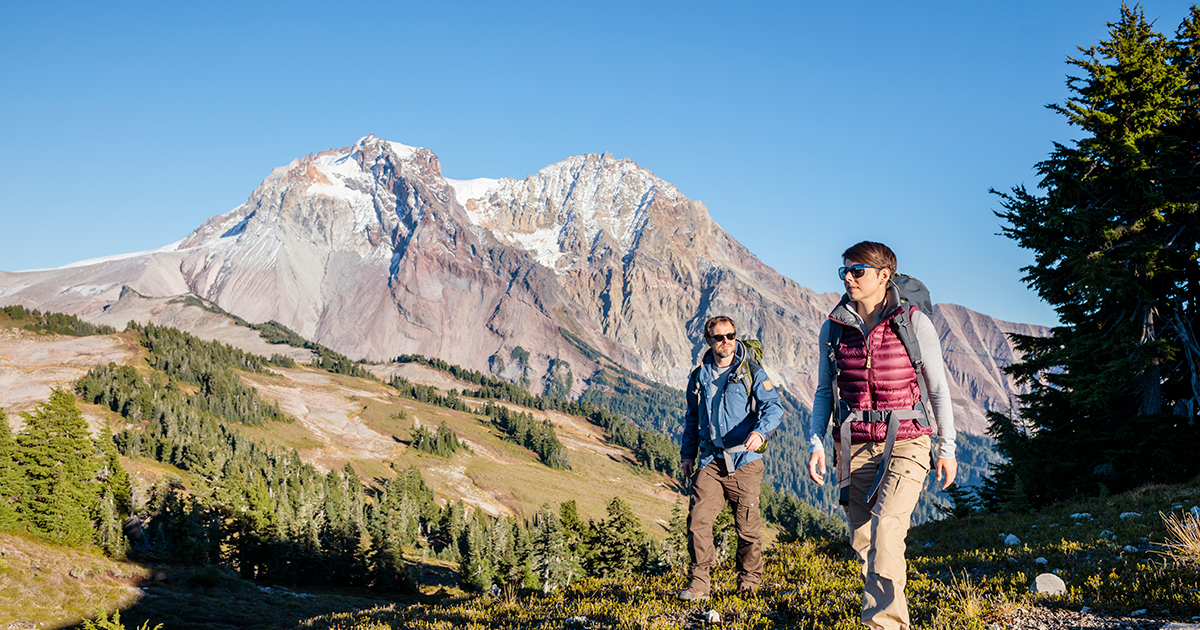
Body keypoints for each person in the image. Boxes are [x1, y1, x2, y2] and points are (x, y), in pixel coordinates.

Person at [807, 241, 957, 630]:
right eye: (845, 270)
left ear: (884, 275)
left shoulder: (913, 323)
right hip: (853, 443)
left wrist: (947, 447)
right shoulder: (833, 327)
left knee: (887, 526)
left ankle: (882, 625)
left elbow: (938, 389)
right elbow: (824, 392)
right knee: (863, 541)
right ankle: (892, 616)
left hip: (907, 439)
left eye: (857, 270)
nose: (848, 278)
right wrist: (816, 442)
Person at [678, 316, 783, 600]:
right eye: (719, 337)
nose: (726, 341)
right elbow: (692, 418)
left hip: (745, 461)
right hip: (710, 460)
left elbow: (774, 408)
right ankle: (699, 584)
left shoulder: (751, 371)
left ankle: (749, 583)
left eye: (731, 335)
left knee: (747, 528)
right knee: (698, 521)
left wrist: (760, 432)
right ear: (708, 341)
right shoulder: (699, 377)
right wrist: (688, 454)